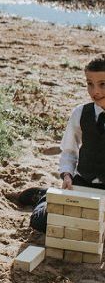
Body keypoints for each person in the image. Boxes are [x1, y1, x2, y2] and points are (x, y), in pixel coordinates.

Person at [26, 55, 105, 232]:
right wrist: (67, 175)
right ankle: (46, 197)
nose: (95, 92)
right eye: (89, 84)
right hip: (83, 181)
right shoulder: (80, 113)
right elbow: (69, 150)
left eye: (102, 84)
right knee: (40, 223)